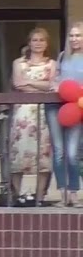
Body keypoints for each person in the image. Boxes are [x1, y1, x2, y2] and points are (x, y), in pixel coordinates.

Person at [9, 27, 56, 206]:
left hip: (44, 112)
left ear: (47, 43)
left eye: (41, 40)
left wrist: (28, 81)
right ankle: (17, 195)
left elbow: (52, 85)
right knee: (19, 152)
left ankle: (39, 197)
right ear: (29, 43)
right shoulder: (18, 63)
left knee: (43, 154)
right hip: (22, 112)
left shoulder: (52, 63)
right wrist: (39, 85)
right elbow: (18, 84)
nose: (38, 43)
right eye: (35, 40)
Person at [50, 22, 83, 206]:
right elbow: (55, 78)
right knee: (59, 152)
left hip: (76, 107)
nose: (74, 39)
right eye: (71, 35)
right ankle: (62, 193)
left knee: (72, 153)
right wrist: (56, 85)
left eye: (78, 35)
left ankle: (74, 192)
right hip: (56, 105)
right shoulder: (63, 56)